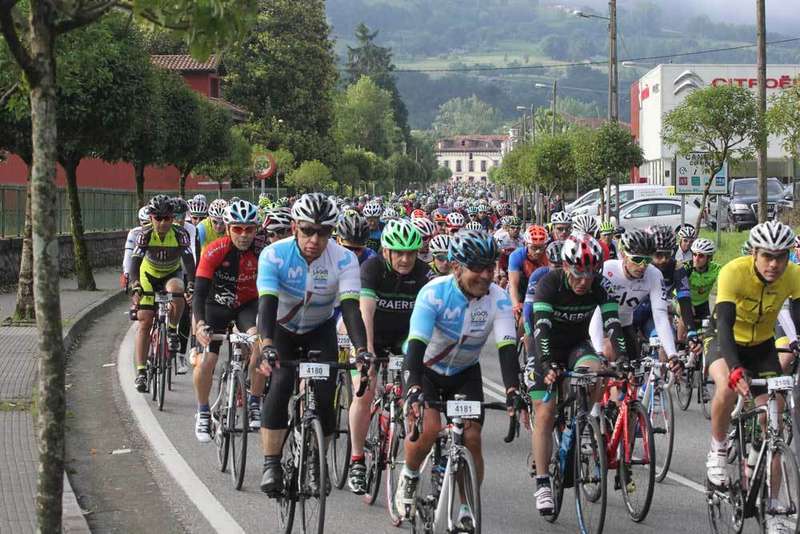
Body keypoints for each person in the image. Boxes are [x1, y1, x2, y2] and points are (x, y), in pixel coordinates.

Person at [394, 230, 524, 528]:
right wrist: (413, 388)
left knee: (472, 438)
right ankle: (410, 476)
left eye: (490, 267)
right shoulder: (434, 293)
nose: (486, 275)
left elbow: (506, 347)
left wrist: (513, 389)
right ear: (456, 268)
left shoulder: (498, 298)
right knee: (429, 428)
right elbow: (416, 345)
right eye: (477, 268)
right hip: (425, 369)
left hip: (464, 372)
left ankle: (466, 505)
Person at [255, 193, 370, 496]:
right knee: (280, 383)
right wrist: (266, 344)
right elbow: (266, 305)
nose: (315, 239)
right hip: (281, 329)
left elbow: (350, 309)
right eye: (307, 230)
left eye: (323, 232)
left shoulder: (344, 259)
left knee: (325, 392)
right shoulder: (274, 255)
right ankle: (272, 462)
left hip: (319, 329)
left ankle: (316, 460)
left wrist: (361, 350)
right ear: (294, 226)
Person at [705, 221, 800, 534]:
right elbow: (724, 324)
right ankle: (718, 452)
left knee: (774, 419)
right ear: (755, 253)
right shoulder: (734, 272)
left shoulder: (794, 275)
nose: (774, 264)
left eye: (781, 257)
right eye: (767, 256)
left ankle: (774, 507)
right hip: (725, 341)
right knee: (727, 388)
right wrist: (734, 369)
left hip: (762, 348)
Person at [525, 234, 626, 515]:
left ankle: (580, 421)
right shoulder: (549, 284)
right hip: (545, 348)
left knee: (598, 372)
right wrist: (546, 364)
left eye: (590, 274)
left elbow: (613, 324)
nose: (584, 282)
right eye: (578, 274)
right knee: (545, 410)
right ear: (566, 267)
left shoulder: (600, 286)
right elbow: (541, 327)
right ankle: (543, 482)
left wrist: (624, 357)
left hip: (576, 346)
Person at [347, 219, 432, 494]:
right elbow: (366, 313)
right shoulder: (371, 269)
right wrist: (367, 354)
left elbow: (429, 318)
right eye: (399, 253)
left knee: (414, 393)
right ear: (386, 251)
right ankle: (357, 460)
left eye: (411, 253)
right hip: (373, 333)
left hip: (404, 337)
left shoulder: (423, 273)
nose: (406, 259)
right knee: (364, 392)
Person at [192, 200, 265, 440]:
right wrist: (200, 324)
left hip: (247, 305)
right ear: (227, 227)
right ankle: (203, 412)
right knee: (207, 359)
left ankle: (254, 401)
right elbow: (200, 293)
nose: (243, 235)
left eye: (249, 229)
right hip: (216, 306)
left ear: (256, 229)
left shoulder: (263, 251)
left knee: (260, 345)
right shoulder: (214, 250)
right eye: (237, 229)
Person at [128, 195, 195, 392]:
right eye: (158, 218)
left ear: (172, 218)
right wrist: (135, 284)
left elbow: (189, 263)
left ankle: (172, 329)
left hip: (170, 274)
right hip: (148, 275)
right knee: (145, 320)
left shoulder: (180, 234)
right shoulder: (145, 234)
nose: (163, 223)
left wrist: (192, 283)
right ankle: (141, 372)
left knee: (178, 290)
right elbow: (135, 263)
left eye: (167, 218)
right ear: (151, 218)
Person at [589, 229, 680, 366]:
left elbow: (660, 315)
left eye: (647, 260)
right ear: (624, 256)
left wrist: (672, 355)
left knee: (634, 371)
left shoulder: (654, 275)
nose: (642, 266)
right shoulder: (607, 270)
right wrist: (599, 351)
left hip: (625, 324)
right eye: (637, 259)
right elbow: (596, 312)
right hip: (598, 324)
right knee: (604, 362)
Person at [508, 225, 550, 322]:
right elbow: (513, 285)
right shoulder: (517, 255)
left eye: (541, 247)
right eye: (534, 247)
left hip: (542, 286)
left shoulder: (549, 254)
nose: (538, 251)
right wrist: (516, 306)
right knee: (521, 317)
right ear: (526, 244)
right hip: (522, 287)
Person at [683, 238, 721, 328]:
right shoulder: (686, 268)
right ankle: (680, 339)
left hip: (703, 303)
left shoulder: (716, 269)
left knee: (706, 331)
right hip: (684, 302)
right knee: (686, 314)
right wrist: (687, 304)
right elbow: (677, 290)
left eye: (701, 256)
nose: (696, 259)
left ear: (709, 258)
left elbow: (726, 285)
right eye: (694, 255)